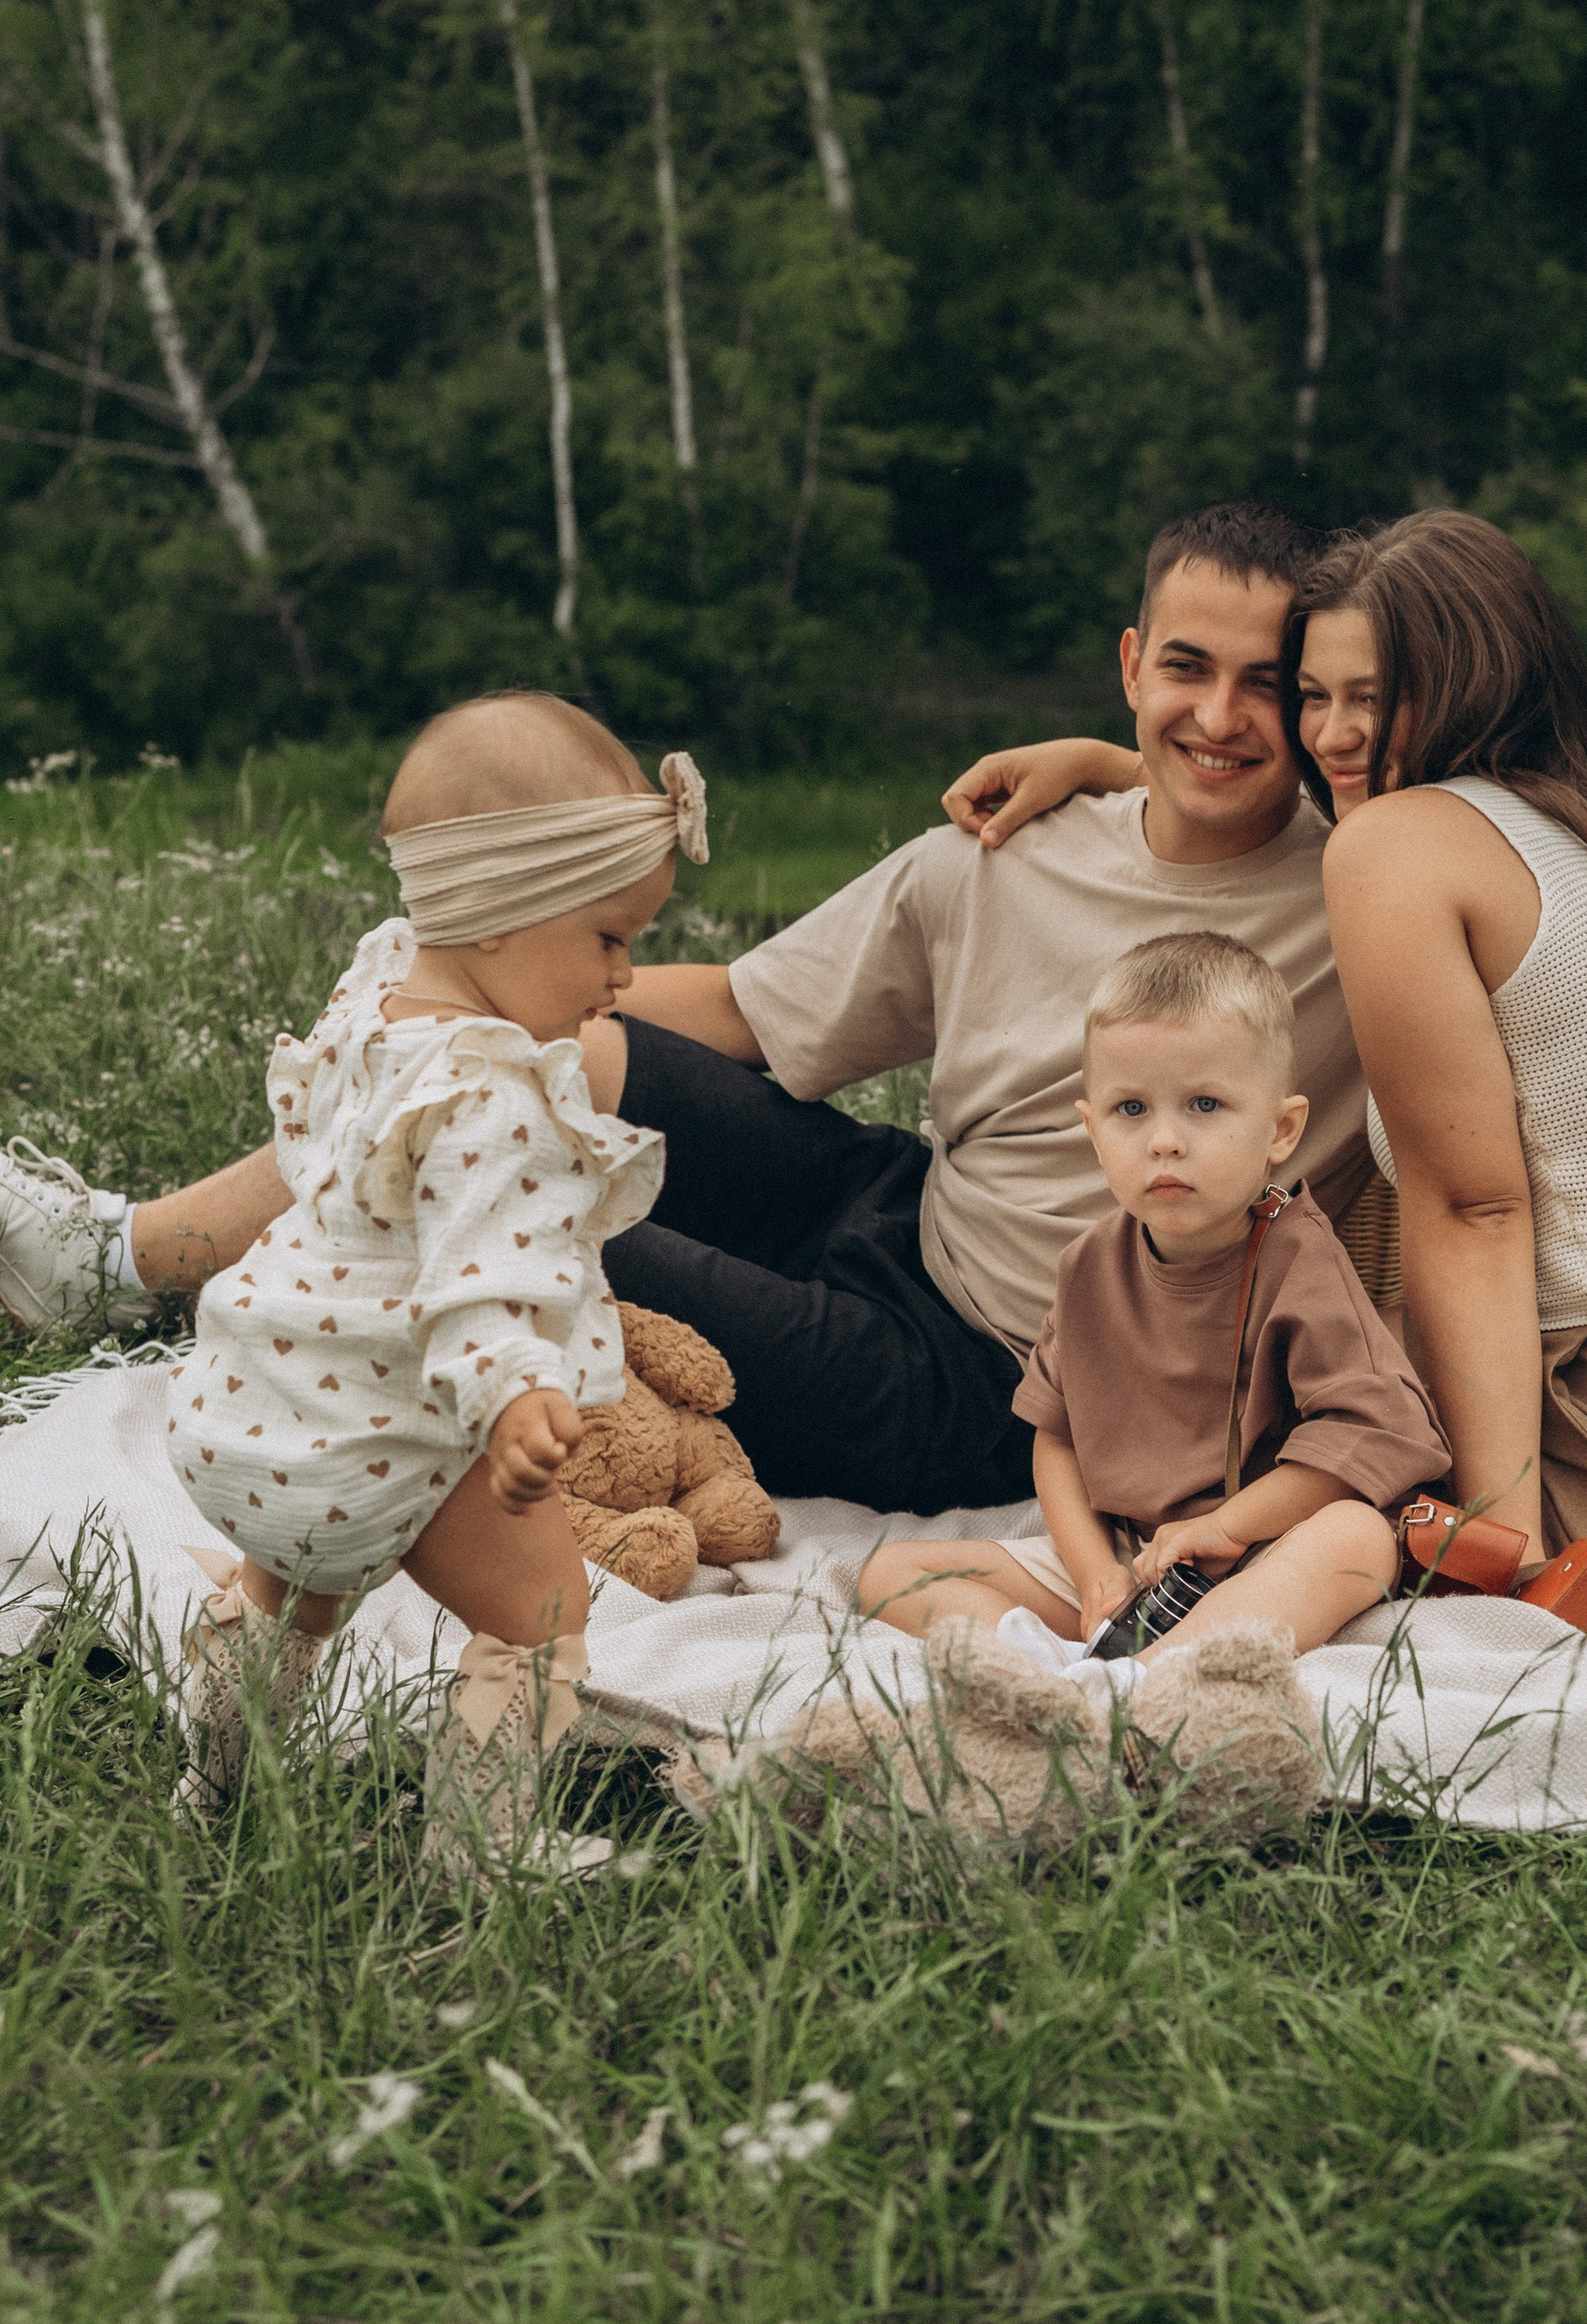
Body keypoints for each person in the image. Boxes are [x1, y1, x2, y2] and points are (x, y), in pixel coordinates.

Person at [0, 501, 1373, 1517]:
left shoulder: (1364, 900)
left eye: (1271, 682)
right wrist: (443, 988)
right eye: (1190, 667)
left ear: (1320, 703)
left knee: (522, 1221)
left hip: (981, 1378)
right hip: (896, 1204)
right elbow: (743, 1007)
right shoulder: (1011, 847)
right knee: (532, 1056)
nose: (1223, 716)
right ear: (1132, 664)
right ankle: (119, 1257)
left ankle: (270, 1322)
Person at [939, 510, 1587, 1586]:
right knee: (1328, 1391)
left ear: (1480, 685)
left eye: (1373, 700)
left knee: (1296, 1519)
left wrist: (1497, 1551)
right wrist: (1112, 765)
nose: (1331, 735)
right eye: (1315, 697)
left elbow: (1475, 1211)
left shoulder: (1395, 845)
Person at [164, 693, 698, 1847]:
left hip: (264, 1408)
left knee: (293, 1592)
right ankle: (486, 1847)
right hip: (391, 1423)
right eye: (611, 938)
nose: (625, 979)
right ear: (503, 917)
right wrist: (515, 1395)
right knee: (542, 1615)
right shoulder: (494, 1099)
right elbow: (479, 1279)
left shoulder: (380, 994)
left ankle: (213, 1786)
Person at [859, 931, 1448, 1659]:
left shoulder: (1300, 1259)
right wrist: (1095, 1573)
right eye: (1131, 1110)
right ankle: (1062, 1667)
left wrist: (1231, 1528)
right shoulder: (1088, 1266)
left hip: (1263, 1554)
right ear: (1092, 1130)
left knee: (1358, 1540)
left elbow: (1373, 1435)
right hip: (1137, 1562)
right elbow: (1058, 1438)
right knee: (890, 1574)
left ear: (1281, 1129)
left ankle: (1152, 1676)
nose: (1165, 1140)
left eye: (1204, 1104)